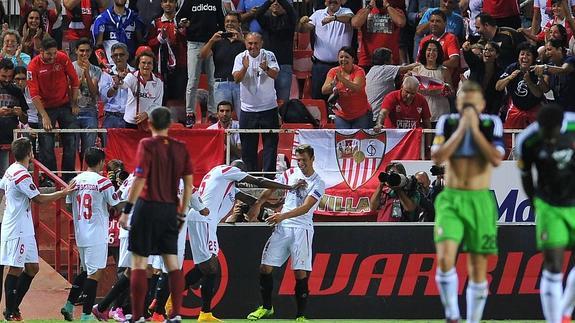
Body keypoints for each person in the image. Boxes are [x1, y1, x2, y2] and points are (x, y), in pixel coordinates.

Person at [185, 160, 304, 322]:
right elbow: (258, 181)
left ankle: (185, 300)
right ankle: (188, 305)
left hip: (207, 223)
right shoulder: (227, 170)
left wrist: (278, 204)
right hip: (203, 219)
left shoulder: (227, 185)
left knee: (206, 267)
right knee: (210, 268)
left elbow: (252, 200)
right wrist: (289, 187)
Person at [431, 80, 504, 323]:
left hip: (479, 200)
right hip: (451, 199)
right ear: (458, 103)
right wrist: (463, 130)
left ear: (482, 104)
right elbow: (438, 156)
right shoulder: (448, 123)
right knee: (444, 259)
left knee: (477, 268)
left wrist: (474, 131)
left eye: (472, 103)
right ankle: (452, 315)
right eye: (464, 102)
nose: (468, 107)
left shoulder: (491, 123)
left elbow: (495, 158)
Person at [118, 107, 193, 323]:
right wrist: (181, 214)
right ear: (170, 124)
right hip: (170, 209)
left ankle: (138, 315)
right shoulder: (181, 147)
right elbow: (188, 184)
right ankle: (176, 313)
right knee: (172, 261)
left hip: (147, 206)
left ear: (150, 124)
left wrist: (127, 211)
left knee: (140, 262)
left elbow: (140, 178)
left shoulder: (147, 145)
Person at [246, 144, 325, 321]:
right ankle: (266, 308)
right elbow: (271, 188)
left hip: (301, 229)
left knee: (299, 273)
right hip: (283, 226)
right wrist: (258, 203)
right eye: (299, 160)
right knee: (265, 268)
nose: (301, 164)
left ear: (312, 159)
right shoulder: (290, 174)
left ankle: (300, 316)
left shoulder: (318, 182)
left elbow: (305, 208)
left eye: (304, 160)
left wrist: (281, 216)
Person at [0, 137, 76, 321]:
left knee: (32, 268)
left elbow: (2, 189)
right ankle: (10, 311)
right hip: (17, 228)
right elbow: (39, 199)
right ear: (30, 153)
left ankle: (13, 307)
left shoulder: (11, 169)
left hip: (23, 227)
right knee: (16, 268)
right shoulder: (22, 174)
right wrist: (63, 193)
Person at [515, 104, 575, 323]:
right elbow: (526, 176)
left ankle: (564, 312)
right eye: (545, 134)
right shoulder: (527, 141)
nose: (548, 139)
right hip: (549, 205)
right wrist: (535, 203)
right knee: (553, 265)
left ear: (561, 126)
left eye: (552, 134)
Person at [60, 147, 121, 321]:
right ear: (101, 162)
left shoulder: (75, 180)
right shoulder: (103, 182)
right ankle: (86, 316)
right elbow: (117, 206)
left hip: (81, 232)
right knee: (95, 274)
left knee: (87, 271)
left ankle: (69, 305)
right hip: (96, 233)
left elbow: (68, 205)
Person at [27, 37, 80, 183]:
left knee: (70, 140)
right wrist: (43, 115)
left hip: (64, 105)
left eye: (54, 53)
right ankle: (50, 177)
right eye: (49, 54)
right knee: (46, 144)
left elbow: (75, 80)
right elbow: (34, 94)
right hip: (45, 108)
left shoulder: (62, 58)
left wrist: (74, 103)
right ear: (41, 51)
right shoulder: (33, 66)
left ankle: (69, 176)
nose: (52, 57)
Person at [232, 32, 280, 175]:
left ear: (261, 43)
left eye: (256, 43)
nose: (253, 46)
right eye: (250, 43)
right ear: (245, 43)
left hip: (269, 107)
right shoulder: (240, 57)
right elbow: (236, 79)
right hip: (248, 110)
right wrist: (245, 67)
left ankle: (269, 179)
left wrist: (265, 68)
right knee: (248, 148)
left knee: (270, 146)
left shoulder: (268, 55)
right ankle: (251, 178)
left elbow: (275, 74)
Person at [177, 0, 224, 127]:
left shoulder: (216, 1)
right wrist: (182, 23)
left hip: (213, 43)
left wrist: (222, 40)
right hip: (194, 43)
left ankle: (213, 113)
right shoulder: (189, 1)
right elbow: (178, 18)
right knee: (192, 80)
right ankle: (190, 114)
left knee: (213, 81)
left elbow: (222, 20)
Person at [297, 0, 353, 100]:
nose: (332, 1)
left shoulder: (346, 11)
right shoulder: (317, 14)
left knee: (342, 98)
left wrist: (334, 18)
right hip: (320, 66)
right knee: (318, 99)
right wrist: (302, 24)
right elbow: (305, 29)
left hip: (341, 66)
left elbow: (350, 19)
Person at [200, 12, 245, 121]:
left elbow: (254, 54)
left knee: (243, 119)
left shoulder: (245, 41)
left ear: (239, 23)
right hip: (221, 85)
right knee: (223, 120)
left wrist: (242, 40)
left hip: (241, 85)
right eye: (227, 21)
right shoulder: (217, 41)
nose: (230, 24)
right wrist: (211, 40)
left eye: (233, 21)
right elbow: (202, 56)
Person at [495, 42, 548, 135]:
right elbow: (498, 87)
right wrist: (509, 77)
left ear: (534, 58)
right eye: (522, 54)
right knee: (510, 140)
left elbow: (539, 94)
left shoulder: (537, 70)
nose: (524, 57)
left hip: (535, 109)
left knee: (537, 139)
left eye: (528, 55)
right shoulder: (512, 68)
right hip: (515, 109)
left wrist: (528, 81)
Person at [253, 0, 297, 102]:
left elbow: (291, 11)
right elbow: (257, 14)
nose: (276, 3)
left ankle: (282, 118)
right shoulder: (266, 20)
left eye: (279, 2)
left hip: (284, 64)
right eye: (274, 2)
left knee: (283, 100)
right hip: (267, 65)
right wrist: (269, 1)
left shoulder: (290, 19)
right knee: (265, 99)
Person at [320, 46, 372, 129]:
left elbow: (357, 88)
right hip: (342, 115)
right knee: (343, 140)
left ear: (353, 59)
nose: (343, 59)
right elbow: (324, 90)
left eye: (347, 57)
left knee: (360, 140)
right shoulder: (333, 71)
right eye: (341, 57)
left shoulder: (359, 71)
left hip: (361, 114)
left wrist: (342, 79)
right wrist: (333, 83)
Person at [366, 47, 419, 126]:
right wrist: (422, 64)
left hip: (370, 115)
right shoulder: (385, 69)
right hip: (379, 115)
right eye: (391, 59)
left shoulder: (371, 70)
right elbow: (409, 67)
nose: (393, 61)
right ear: (386, 60)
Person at [147, 0, 188, 104]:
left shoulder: (183, 22)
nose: (168, 4)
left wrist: (181, 33)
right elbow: (149, 44)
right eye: (165, 1)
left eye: (171, 1)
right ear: (161, 4)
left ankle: (179, 120)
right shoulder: (155, 23)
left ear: (176, 4)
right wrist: (160, 38)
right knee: (162, 98)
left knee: (180, 98)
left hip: (181, 66)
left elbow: (190, 42)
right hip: (162, 68)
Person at [351, 0, 406, 69]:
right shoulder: (365, 11)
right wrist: (369, 7)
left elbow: (400, 23)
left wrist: (388, 6)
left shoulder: (396, 11)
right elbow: (355, 24)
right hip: (367, 60)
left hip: (390, 60)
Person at [72, 38, 101, 164]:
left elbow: (94, 92)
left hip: (90, 111)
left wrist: (87, 73)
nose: (84, 54)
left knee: (88, 149)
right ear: (76, 51)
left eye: (87, 51)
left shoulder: (96, 70)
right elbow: (70, 90)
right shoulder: (70, 67)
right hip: (73, 110)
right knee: (71, 148)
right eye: (81, 50)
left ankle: (87, 174)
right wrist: (80, 78)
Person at [412, 39, 452, 124]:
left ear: (439, 53)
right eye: (429, 50)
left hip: (440, 111)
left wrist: (447, 90)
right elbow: (412, 89)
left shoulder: (444, 70)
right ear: (424, 52)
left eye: (435, 50)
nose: (431, 53)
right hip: (421, 111)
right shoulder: (417, 69)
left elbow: (452, 92)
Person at [121, 50, 164, 129]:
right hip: (130, 121)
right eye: (143, 62)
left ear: (153, 66)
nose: (146, 65)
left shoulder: (158, 82)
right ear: (138, 64)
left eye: (149, 63)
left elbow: (157, 103)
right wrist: (119, 80)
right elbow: (123, 85)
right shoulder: (131, 76)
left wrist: (146, 114)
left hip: (148, 123)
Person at [98, 42, 134, 135]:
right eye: (115, 55)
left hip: (129, 117)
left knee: (128, 149)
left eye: (121, 55)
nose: (118, 58)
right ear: (112, 58)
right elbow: (104, 97)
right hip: (111, 117)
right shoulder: (106, 73)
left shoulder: (135, 73)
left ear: (127, 55)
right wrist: (116, 85)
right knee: (109, 148)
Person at [0, 59, 28, 176]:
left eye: (10, 76)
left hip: (9, 139)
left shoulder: (16, 91)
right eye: (3, 76)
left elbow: (25, 119)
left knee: (6, 174)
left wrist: (20, 113)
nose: (7, 79)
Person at [461, 40, 504, 115]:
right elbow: (470, 57)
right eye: (485, 49)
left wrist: (493, 114)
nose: (487, 51)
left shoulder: (500, 72)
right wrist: (466, 49)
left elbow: (498, 96)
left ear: (497, 55)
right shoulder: (476, 64)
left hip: (489, 109)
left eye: (491, 50)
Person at [532, 38, 575, 112]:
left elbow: (563, 70)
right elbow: (546, 90)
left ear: (559, 49)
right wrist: (540, 77)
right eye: (545, 51)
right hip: (559, 110)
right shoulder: (550, 66)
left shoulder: (570, 60)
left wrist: (545, 68)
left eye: (549, 49)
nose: (546, 53)